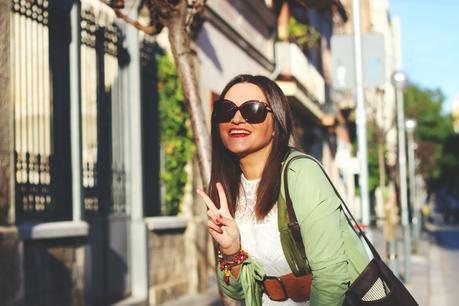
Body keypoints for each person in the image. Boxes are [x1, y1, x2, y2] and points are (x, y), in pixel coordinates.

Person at [197, 74, 369, 306]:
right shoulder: (230, 188)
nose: (237, 119)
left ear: (276, 123)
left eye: (253, 110)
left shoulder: (301, 174)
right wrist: (231, 251)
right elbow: (237, 291)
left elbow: (332, 279)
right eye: (226, 110)